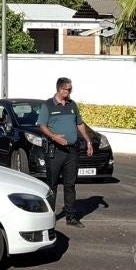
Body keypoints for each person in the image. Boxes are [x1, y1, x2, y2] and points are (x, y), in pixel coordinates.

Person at [36, 76, 94, 227]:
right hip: (55, 151)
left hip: (72, 151)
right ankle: (49, 216)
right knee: (52, 185)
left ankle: (71, 216)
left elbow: (79, 124)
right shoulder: (48, 105)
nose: (70, 91)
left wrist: (88, 141)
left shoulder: (72, 105)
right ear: (60, 89)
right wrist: (54, 137)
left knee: (70, 184)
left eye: (71, 89)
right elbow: (42, 126)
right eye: (68, 89)